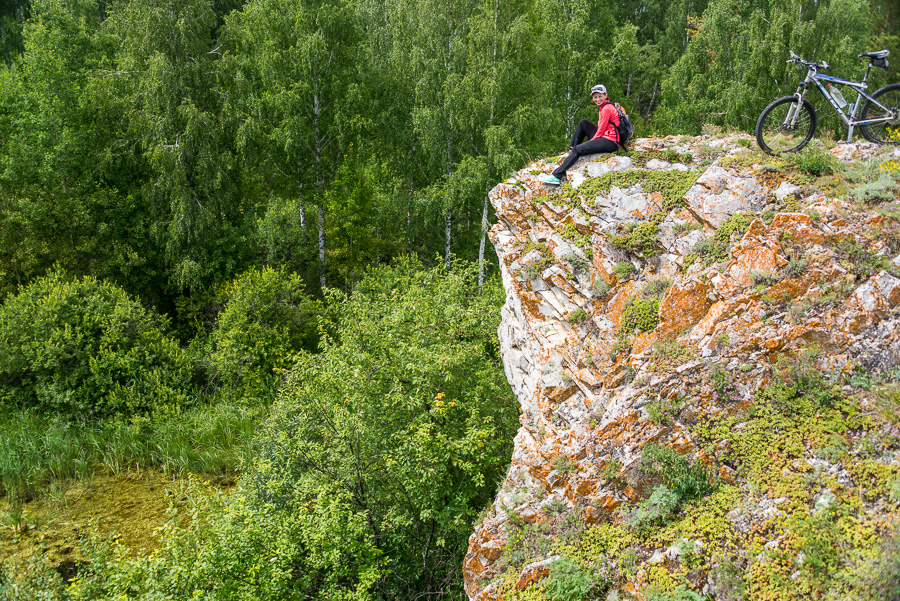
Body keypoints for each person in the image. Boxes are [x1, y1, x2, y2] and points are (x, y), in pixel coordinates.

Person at [539, 84, 620, 185]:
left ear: (605, 95)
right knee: (583, 123)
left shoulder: (606, 109)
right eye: (595, 97)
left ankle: (556, 176)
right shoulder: (604, 106)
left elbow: (600, 132)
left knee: (578, 149)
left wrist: (590, 144)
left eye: (600, 96)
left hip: (610, 142)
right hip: (606, 136)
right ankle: (570, 151)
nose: (597, 99)